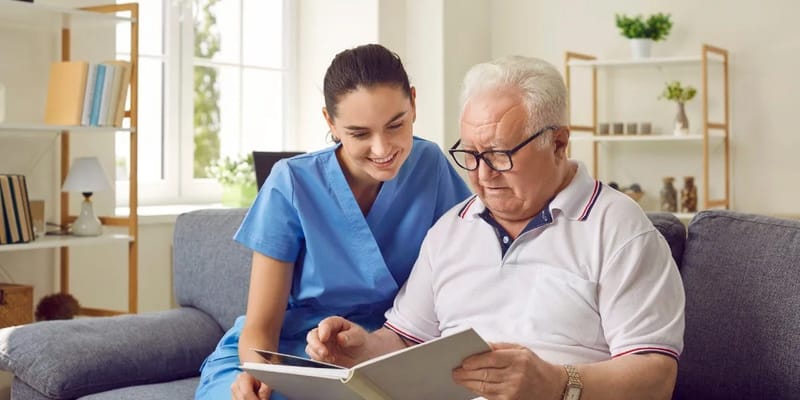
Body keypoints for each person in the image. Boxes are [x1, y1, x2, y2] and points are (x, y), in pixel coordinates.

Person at [306, 56, 685, 400]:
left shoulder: (618, 228)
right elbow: (407, 339)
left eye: (500, 155)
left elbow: (656, 376)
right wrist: (362, 351)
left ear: (559, 143)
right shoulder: (450, 230)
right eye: (469, 154)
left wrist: (557, 383)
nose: (481, 175)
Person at [194, 43, 472, 400]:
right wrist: (259, 374)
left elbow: (469, 261)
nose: (382, 148)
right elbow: (260, 326)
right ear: (330, 122)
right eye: (359, 133)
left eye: (396, 125)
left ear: (413, 103)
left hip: (379, 354)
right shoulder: (292, 183)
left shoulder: (430, 165)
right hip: (282, 351)